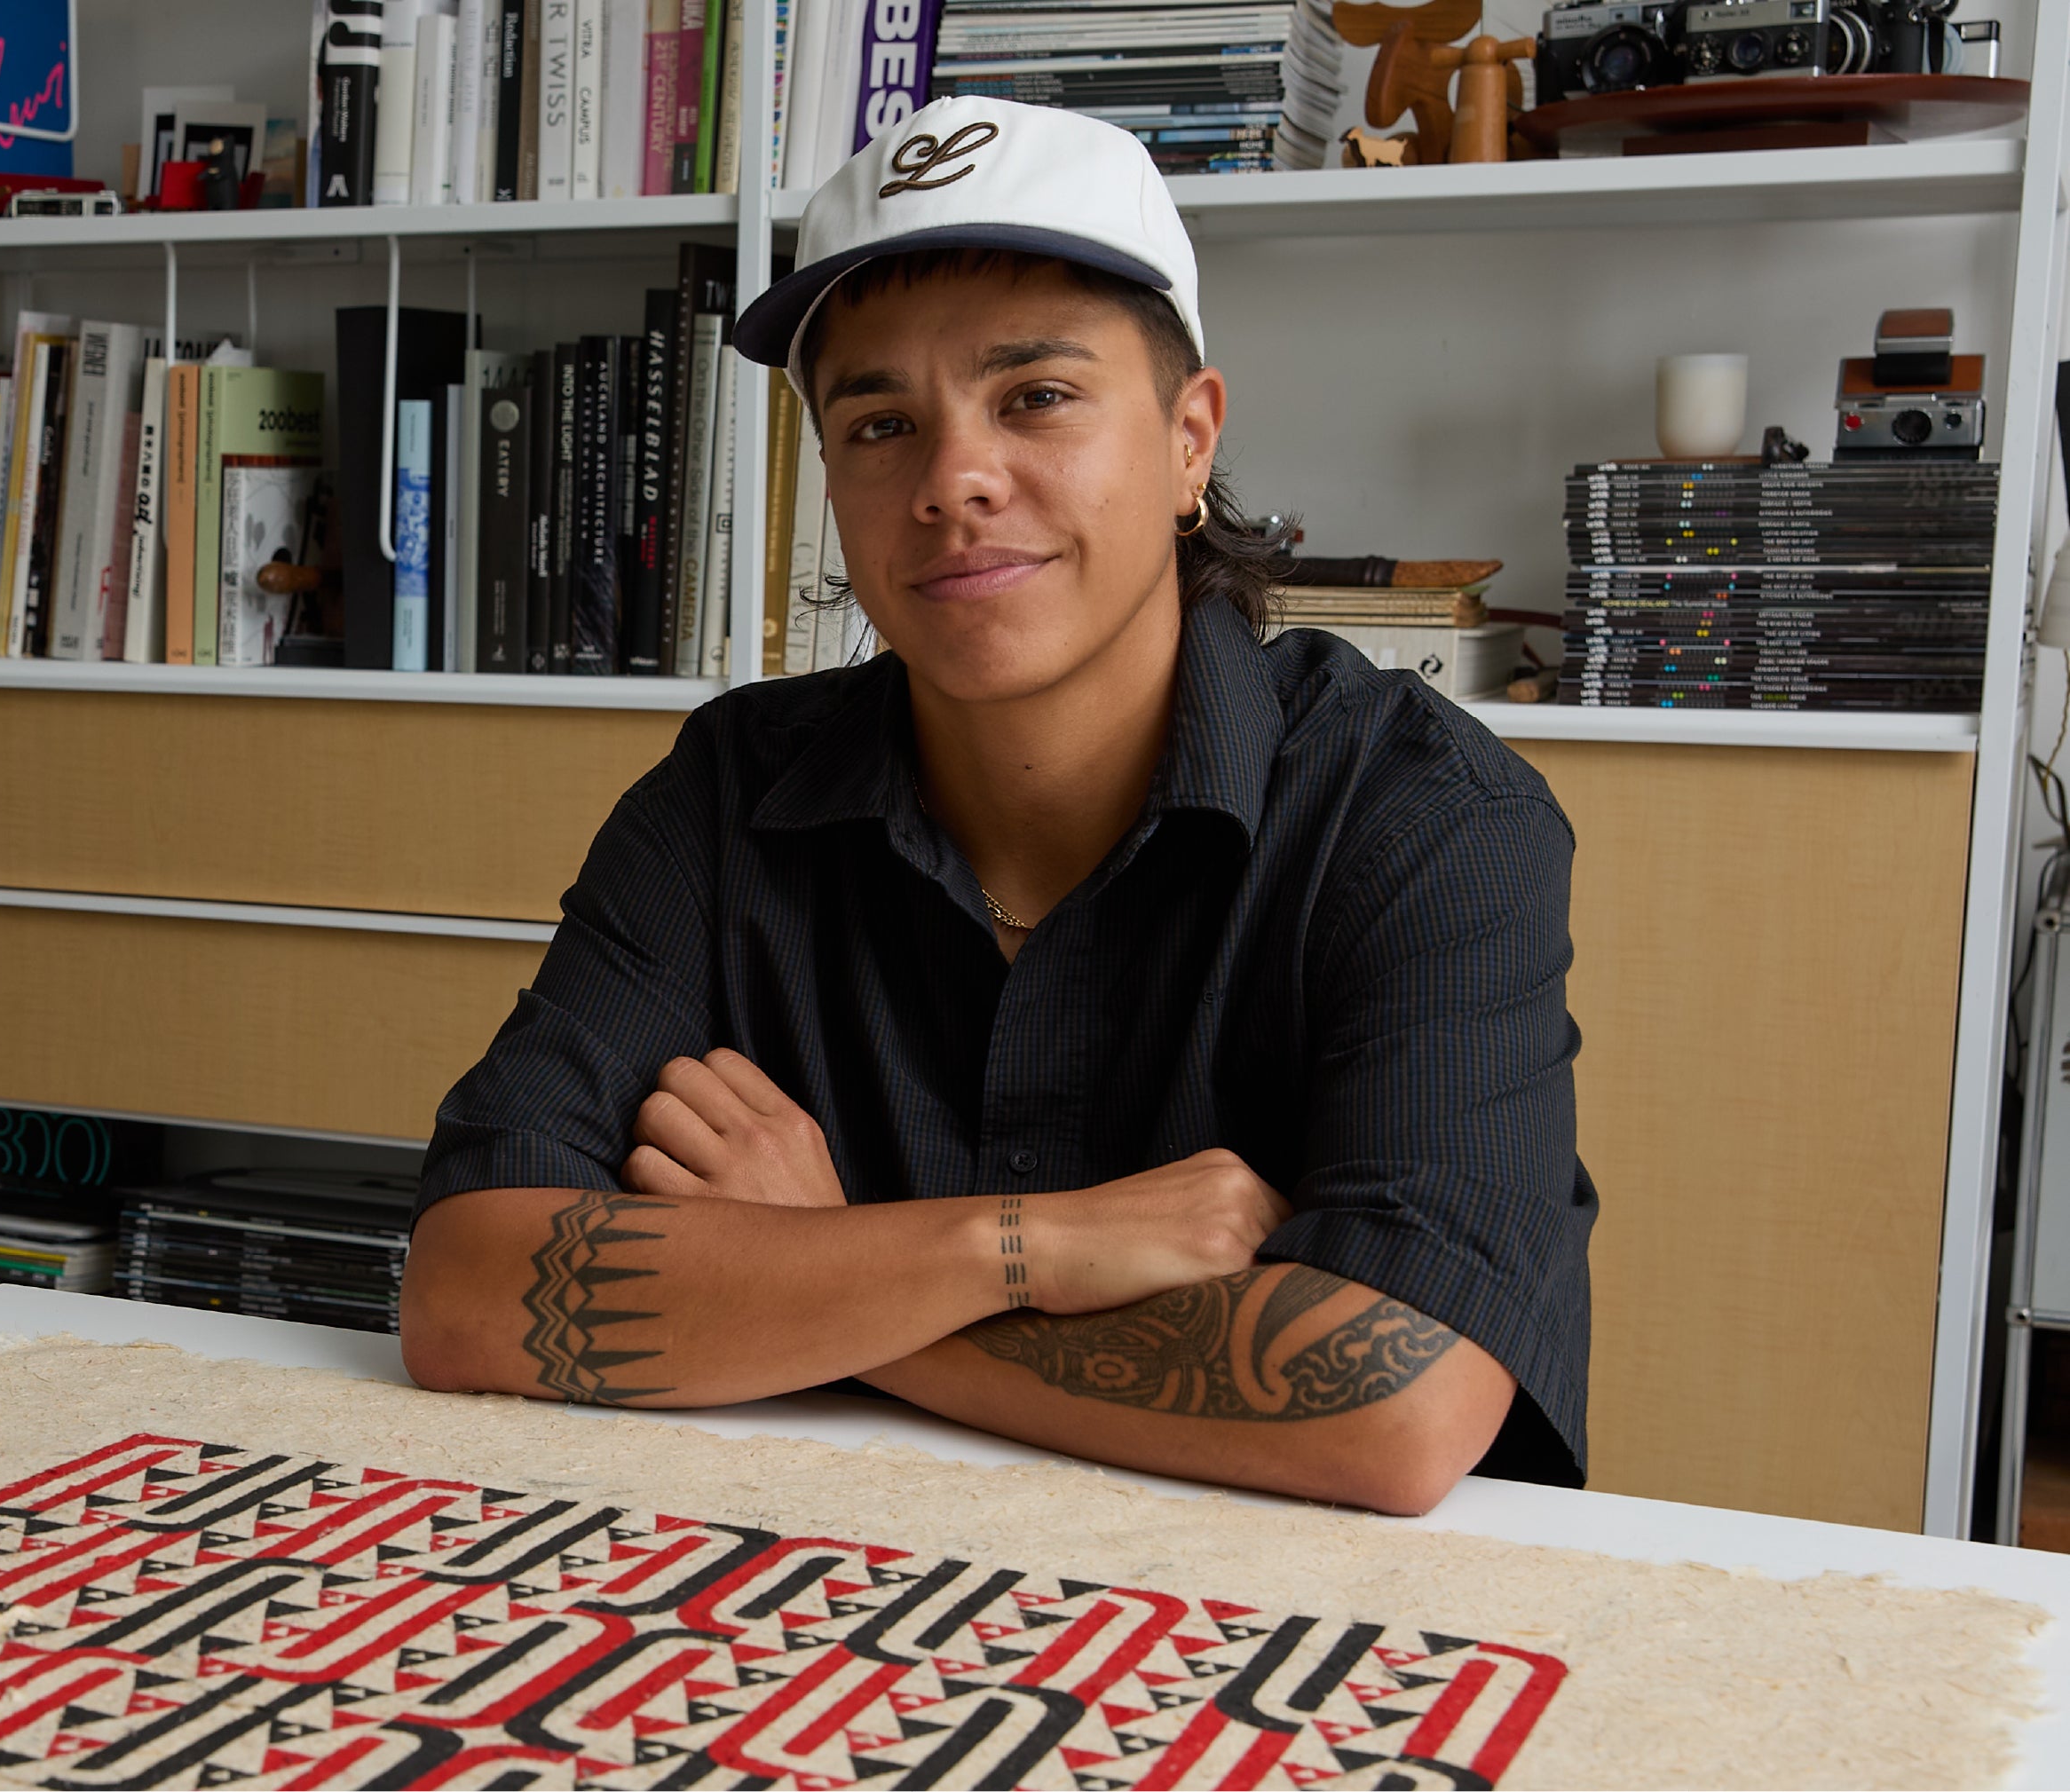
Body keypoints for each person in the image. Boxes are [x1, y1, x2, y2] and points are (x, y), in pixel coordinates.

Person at [397, 95, 1593, 1516]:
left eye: (1035, 396)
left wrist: (831, 1272)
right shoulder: (728, 790)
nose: (952, 480)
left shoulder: (1419, 816)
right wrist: (1010, 1249)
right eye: (879, 422)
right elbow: (470, 1292)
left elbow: (1389, 1404)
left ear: (1189, 441)